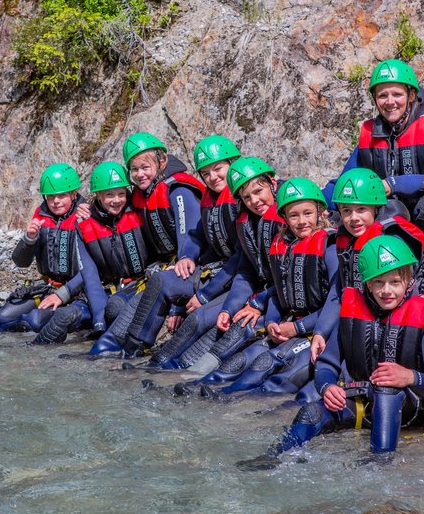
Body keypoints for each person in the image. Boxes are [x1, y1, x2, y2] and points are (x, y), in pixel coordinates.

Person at [253, 235, 424, 465]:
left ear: (409, 282)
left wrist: (409, 376)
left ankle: (380, 464)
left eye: (395, 282)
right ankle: (273, 457)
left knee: (386, 390)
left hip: (407, 410)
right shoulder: (352, 314)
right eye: (378, 282)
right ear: (367, 283)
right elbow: (327, 364)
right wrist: (327, 387)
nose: (386, 291)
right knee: (311, 412)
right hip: (361, 405)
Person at [323, 59, 424, 307]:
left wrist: (394, 183)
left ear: (411, 95)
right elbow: (344, 182)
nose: (389, 101)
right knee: (388, 208)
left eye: (397, 94)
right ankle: (389, 279)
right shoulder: (370, 134)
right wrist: (311, 201)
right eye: (382, 95)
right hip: (399, 221)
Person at [212, 178, 339, 396]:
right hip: (288, 323)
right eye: (293, 215)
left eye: (307, 213)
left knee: (271, 365)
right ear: (285, 219)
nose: (301, 221)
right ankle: (210, 389)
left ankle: (243, 409)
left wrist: (298, 328)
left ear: (321, 213)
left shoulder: (330, 246)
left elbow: (336, 301)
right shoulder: (284, 246)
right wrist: (271, 321)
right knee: (245, 360)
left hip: (315, 330)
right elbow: (279, 292)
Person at [120, 135, 243, 357]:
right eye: (205, 173)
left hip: (237, 280)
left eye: (218, 169)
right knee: (162, 280)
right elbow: (196, 236)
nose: (212, 177)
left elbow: (242, 258)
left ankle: (163, 366)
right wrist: (186, 256)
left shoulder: (242, 202)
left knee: (195, 319)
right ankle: (131, 352)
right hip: (216, 271)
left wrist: (203, 296)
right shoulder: (211, 197)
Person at [167, 156, 285, 379]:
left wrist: (256, 303)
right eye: (247, 198)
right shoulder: (248, 221)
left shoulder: (289, 219)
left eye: (259, 192)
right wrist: (227, 309)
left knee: (238, 327)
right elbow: (247, 271)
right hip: (266, 293)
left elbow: (288, 280)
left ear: (272, 183)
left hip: (280, 302)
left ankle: (198, 380)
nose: (255, 201)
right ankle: (173, 371)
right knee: (222, 323)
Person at [89, 133, 205, 355]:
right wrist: (86, 210)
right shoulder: (142, 194)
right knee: (115, 308)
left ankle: (127, 347)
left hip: (191, 264)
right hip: (164, 267)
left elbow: (189, 238)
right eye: (134, 170)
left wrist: (177, 305)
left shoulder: (178, 190)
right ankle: (109, 346)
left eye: (145, 167)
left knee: (153, 291)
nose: (140, 174)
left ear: (162, 162)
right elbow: (112, 209)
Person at [310, 167, 424, 365]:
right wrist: (321, 332)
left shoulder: (391, 240)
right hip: (360, 320)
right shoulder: (345, 241)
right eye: (346, 211)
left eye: (361, 209)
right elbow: (341, 292)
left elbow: (408, 292)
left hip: (394, 326)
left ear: (376, 208)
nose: (354, 218)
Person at [32, 162, 152, 345]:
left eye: (121, 194)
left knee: (114, 309)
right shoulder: (86, 224)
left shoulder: (139, 211)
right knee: (63, 316)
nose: (116, 200)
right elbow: (90, 275)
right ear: (98, 195)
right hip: (106, 288)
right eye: (109, 195)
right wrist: (98, 321)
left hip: (139, 284)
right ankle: (34, 356)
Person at [0, 163, 87, 332]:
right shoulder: (41, 218)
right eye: (50, 197)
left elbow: (93, 270)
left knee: (33, 322)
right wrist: (30, 238)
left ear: (73, 194)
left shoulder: (85, 217)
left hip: (76, 291)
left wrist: (64, 294)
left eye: (61, 195)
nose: (55, 201)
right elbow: (21, 262)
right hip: (49, 286)